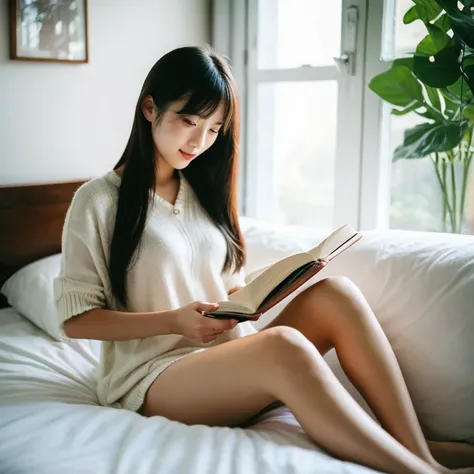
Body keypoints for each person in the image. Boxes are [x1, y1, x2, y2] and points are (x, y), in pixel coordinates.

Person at [54, 46, 474, 474]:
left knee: (336, 295)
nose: (200, 142)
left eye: (215, 129)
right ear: (150, 108)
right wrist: (173, 320)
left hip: (226, 360)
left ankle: (418, 450)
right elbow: (76, 320)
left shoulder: (202, 191)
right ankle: (425, 473)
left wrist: (261, 291)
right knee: (282, 345)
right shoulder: (99, 201)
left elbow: (223, 285)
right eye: (189, 122)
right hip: (152, 380)